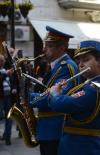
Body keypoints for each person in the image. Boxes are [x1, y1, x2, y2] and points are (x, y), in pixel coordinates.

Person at [48, 40, 100, 155]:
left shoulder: (95, 88)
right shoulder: (88, 85)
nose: (81, 64)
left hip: (82, 148)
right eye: (79, 60)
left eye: (86, 60)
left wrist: (54, 93)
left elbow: (60, 104)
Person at [29, 26, 78, 155]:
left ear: (62, 48)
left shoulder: (67, 67)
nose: (44, 49)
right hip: (48, 129)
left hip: (55, 129)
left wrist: (30, 97)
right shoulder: (56, 66)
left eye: (49, 46)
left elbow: (55, 97)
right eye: (46, 45)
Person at [0, 54, 16, 145]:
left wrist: (14, 88)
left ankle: (7, 137)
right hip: (1, 97)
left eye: (3, 60)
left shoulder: (5, 70)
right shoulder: (5, 72)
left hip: (8, 97)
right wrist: (6, 73)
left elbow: (13, 80)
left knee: (9, 117)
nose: (2, 62)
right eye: (1, 61)